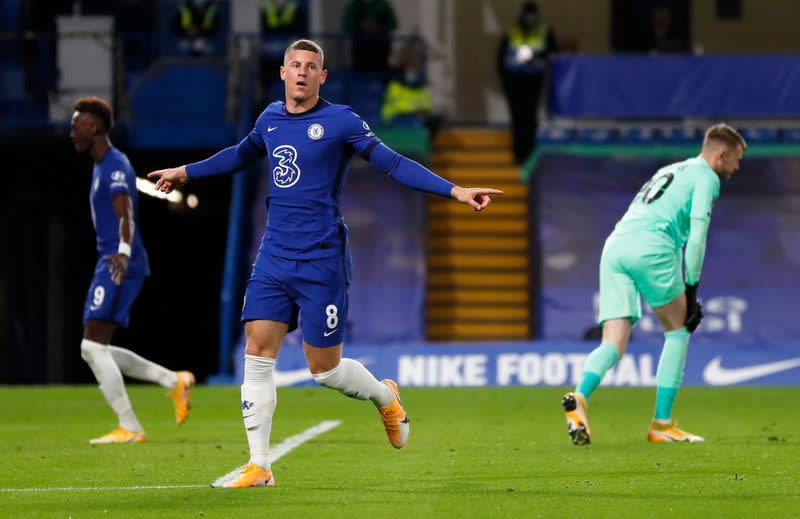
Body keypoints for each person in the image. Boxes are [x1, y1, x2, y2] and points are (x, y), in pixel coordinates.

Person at [148, 39, 502, 488]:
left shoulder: (341, 121)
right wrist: (186, 171)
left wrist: (456, 191)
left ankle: (384, 396)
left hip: (321, 261)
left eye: (310, 66)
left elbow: (392, 163)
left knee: (325, 371)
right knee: (257, 350)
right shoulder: (269, 119)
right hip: (274, 257)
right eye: (294, 65)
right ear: (282, 73)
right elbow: (239, 155)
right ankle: (259, 465)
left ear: (321, 77)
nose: (301, 72)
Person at [562, 124, 747, 445]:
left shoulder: (672, 169)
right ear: (722, 155)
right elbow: (698, 236)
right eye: (737, 159)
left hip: (616, 245)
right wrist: (691, 292)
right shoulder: (706, 177)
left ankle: (580, 397)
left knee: (612, 344)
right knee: (678, 329)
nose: (738, 166)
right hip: (650, 247)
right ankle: (662, 424)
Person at [70, 97, 195, 444]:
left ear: (93, 127)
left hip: (117, 261)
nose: (71, 133)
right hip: (112, 258)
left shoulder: (113, 165)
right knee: (96, 346)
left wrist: (122, 255)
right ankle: (173, 381)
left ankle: (131, 427)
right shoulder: (100, 165)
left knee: (91, 348)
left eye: (75, 125)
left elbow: (126, 216)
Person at [496, 1, 556, 164]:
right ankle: (518, 154)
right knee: (517, 119)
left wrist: (535, 58)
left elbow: (552, 55)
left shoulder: (544, 31)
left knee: (530, 118)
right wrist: (505, 81)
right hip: (514, 83)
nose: (530, 17)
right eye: (528, 14)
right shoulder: (512, 32)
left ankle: (529, 155)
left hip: (533, 82)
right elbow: (501, 59)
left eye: (532, 14)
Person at [380, 50, 441, 137]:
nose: (411, 73)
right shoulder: (395, 85)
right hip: (396, 117)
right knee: (417, 123)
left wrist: (425, 111)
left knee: (435, 119)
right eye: (409, 70)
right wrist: (414, 110)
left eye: (413, 71)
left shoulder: (420, 87)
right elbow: (395, 105)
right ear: (403, 71)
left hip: (416, 116)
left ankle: (426, 146)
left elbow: (427, 105)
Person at [341, 0, 397, 72]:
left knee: (381, 72)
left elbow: (393, 23)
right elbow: (347, 25)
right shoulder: (355, 5)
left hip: (380, 50)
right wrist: (361, 26)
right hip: (360, 50)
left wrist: (378, 26)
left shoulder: (383, 5)